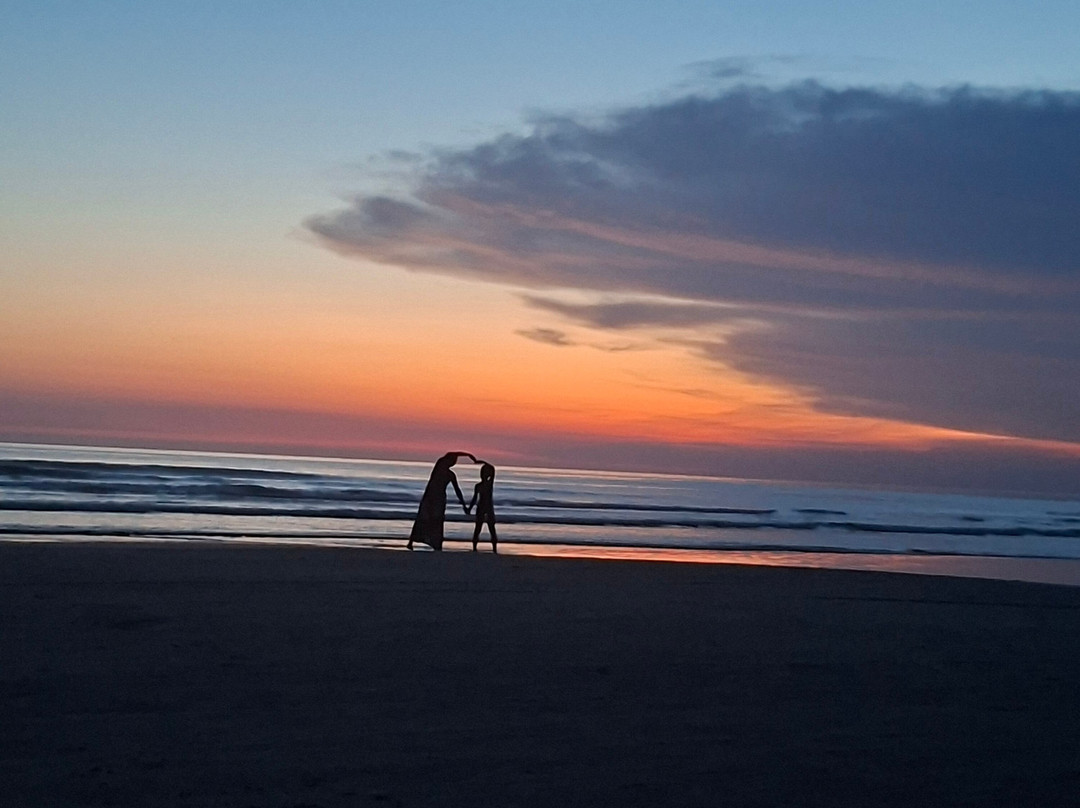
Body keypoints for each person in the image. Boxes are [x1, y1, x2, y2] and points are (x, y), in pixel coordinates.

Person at [408, 452, 475, 551]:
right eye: (452, 460)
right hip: (430, 496)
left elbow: (457, 490)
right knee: (424, 517)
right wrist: (468, 455)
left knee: (436, 520)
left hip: (438, 498)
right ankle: (412, 541)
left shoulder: (450, 474)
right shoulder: (440, 467)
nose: (453, 462)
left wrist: (464, 505)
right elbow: (451, 453)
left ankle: (436, 543)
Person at [466, 462, 498, 554]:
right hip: (483, 507)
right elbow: (474, 498)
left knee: (490, 529)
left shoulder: (488, 484)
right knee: (479, 529)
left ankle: (493, 548)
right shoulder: (480, 485)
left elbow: (493, 469)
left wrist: (483, 462)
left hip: (487, 508)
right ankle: (475, 547)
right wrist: (469, 508)